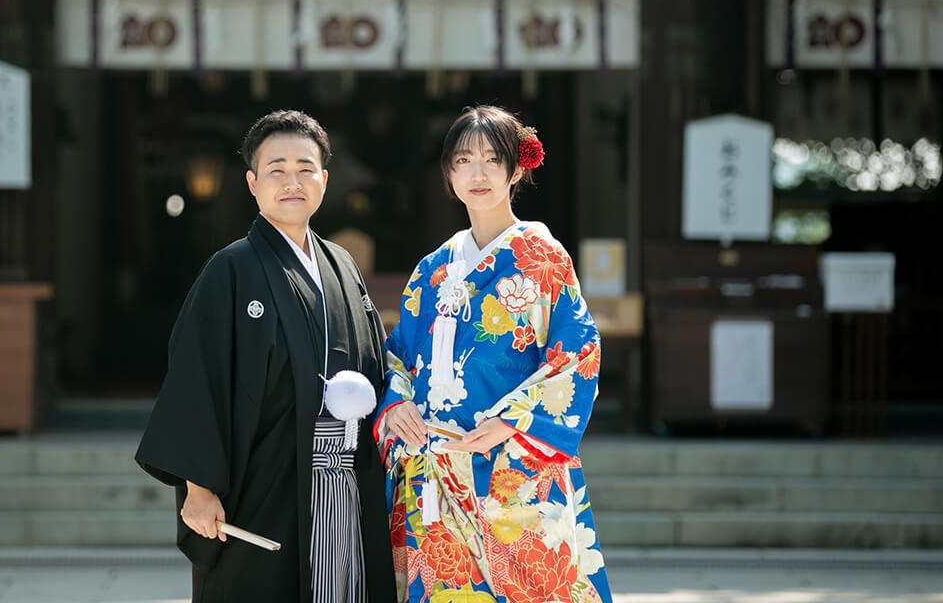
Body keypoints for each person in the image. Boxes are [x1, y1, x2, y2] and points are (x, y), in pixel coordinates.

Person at [136, 110, 393, 603]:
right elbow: (198, 378)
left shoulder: (341, 264)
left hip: (346, 477)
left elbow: (374, 365)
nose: (291, 181)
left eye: (304, 168)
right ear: (252, 183)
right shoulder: (229, 270)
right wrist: (199, 487)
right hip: (264, 482)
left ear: (324, 180)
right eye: (276, 170)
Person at [373, 105, 613, 603]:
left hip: (512, 468)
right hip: (433, 474)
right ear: (449, 174)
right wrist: (395, 406)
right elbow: (397, 354)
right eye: (463, 161)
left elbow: (578, 353)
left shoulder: (542, 257)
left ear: (516, 169)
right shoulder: (433, 269)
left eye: (491, 159)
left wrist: (514, 422)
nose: (477, 173)